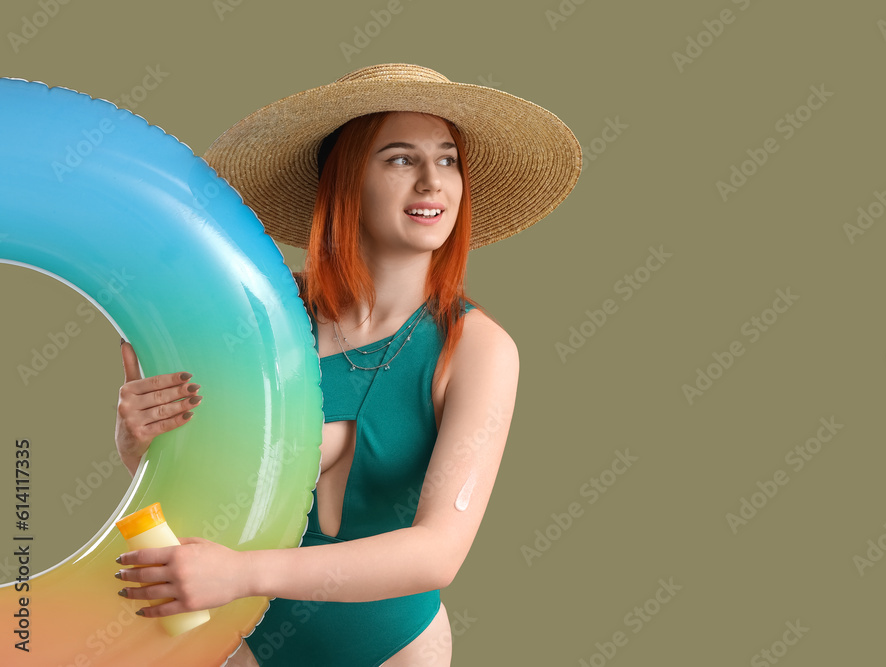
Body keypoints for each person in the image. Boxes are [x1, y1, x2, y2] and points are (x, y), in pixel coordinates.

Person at [113, 63, 580, 666]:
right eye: (400, 159)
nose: (432, 183)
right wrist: (138, 442)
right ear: (345, 180)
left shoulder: (479, 350)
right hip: (244, 642)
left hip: (393, 651)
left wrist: (243, 573)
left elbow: (438, 553)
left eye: (447, 159)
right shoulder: (264, 316)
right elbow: (207, 486)